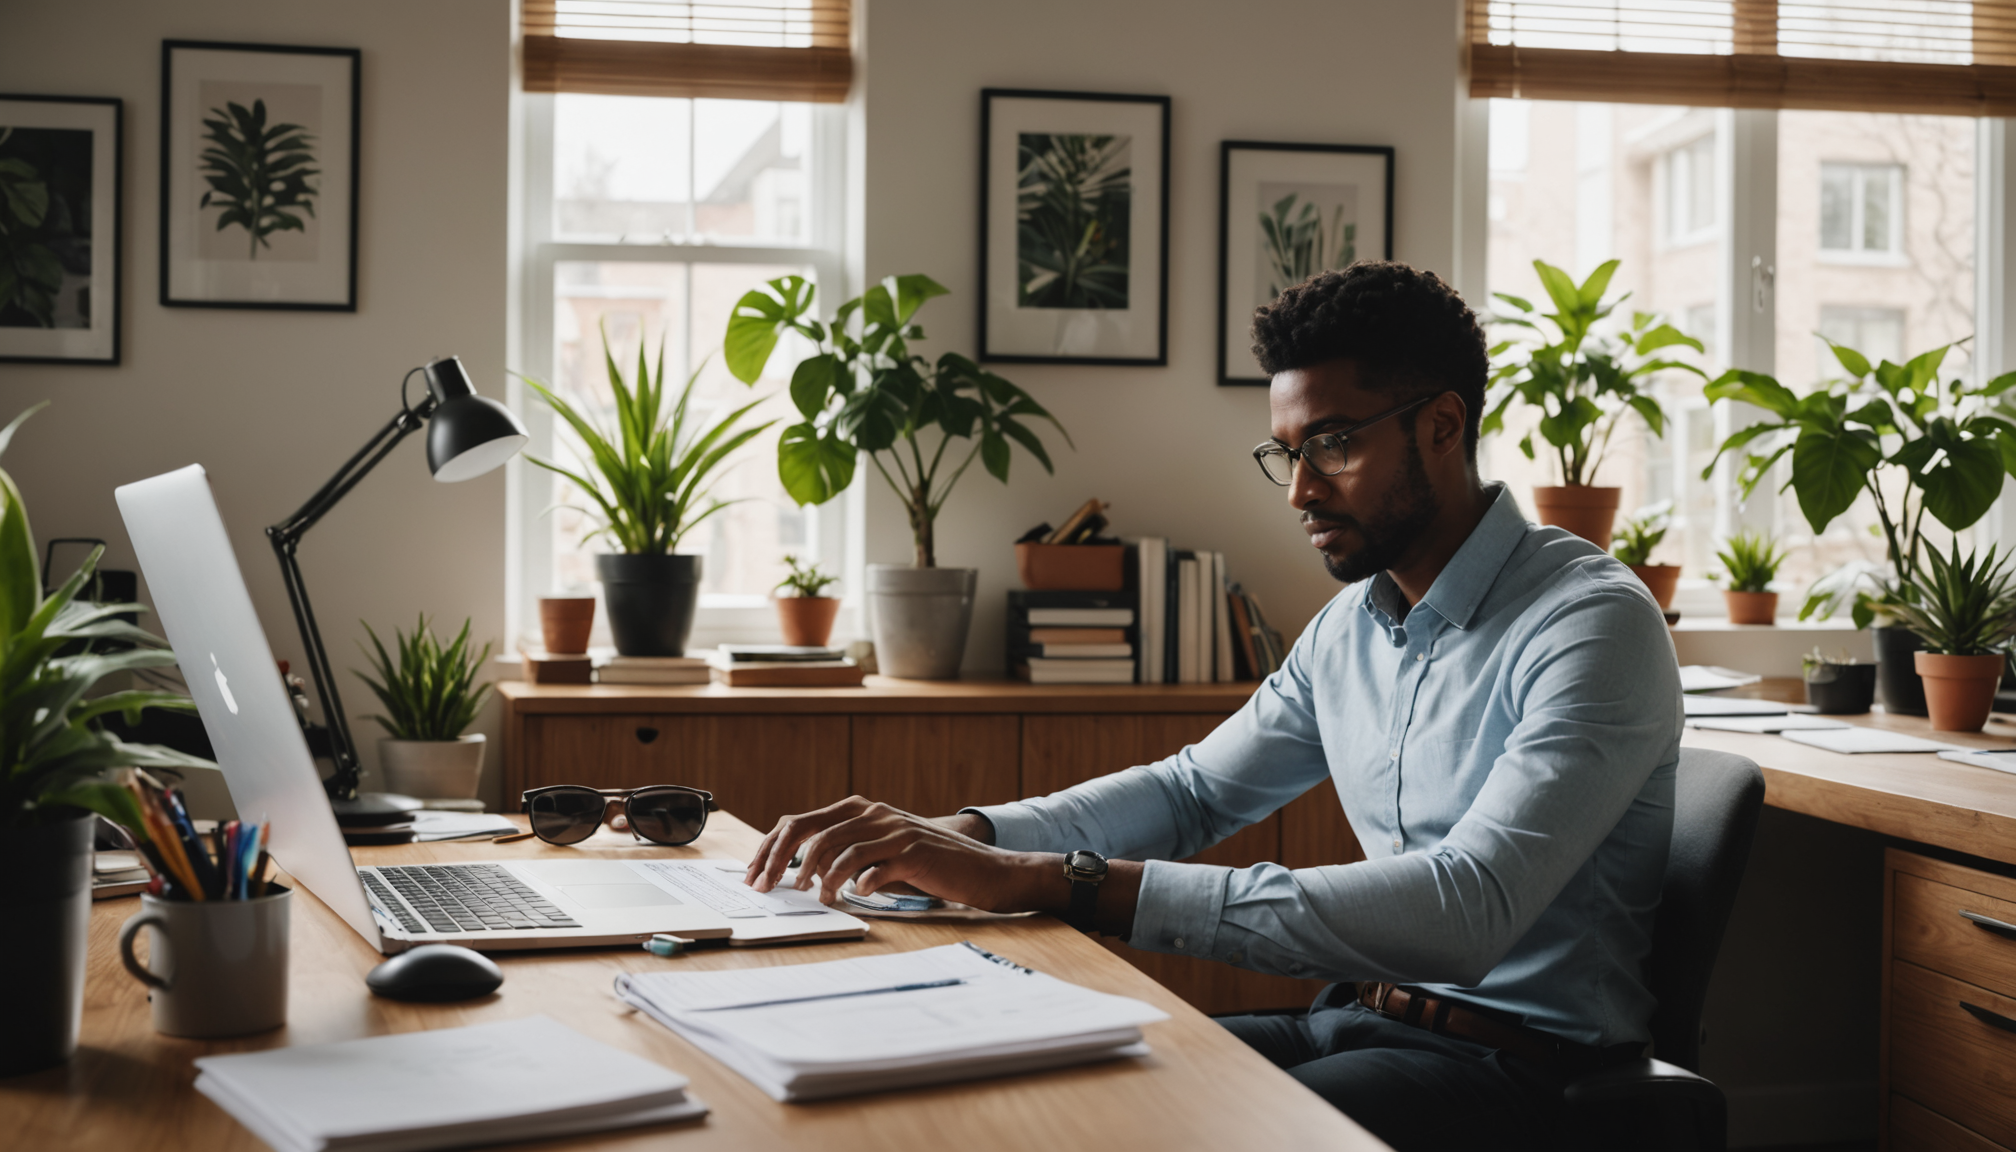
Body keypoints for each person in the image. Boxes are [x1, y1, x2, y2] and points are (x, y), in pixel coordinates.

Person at [742, 261, 1682, 1151]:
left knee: (1167, 1131)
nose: (1302, 491)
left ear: (1443, 425)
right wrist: (961, 836)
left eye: (1335, 444)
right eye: (1287, 455)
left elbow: (1463, 910)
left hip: (1520, 1073)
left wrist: (1050, 879)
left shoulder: (1589, 623)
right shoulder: (1354, 624)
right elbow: (1194, 794)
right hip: (1357, 1020)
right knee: (1043, 1096)